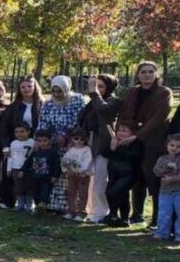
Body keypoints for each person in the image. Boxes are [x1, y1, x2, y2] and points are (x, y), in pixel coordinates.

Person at [118, 61, 173, 227]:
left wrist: (138, 135)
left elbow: (159, 117)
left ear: (156, 74)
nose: (147, 75)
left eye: (150, 72)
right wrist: (120, 133)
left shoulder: (164, 93)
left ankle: (156, 218)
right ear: (138, 74)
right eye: (143, 72)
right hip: (132, 139)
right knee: (137, 178)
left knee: (153, 178)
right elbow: (123, 114)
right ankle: (137, 214)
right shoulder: (132, 92)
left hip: (154, 140)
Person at [77, 74, 121, 224]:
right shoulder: (91, 103)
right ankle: (88, 208)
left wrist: (94, 93)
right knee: (88, 178)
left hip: (103, 144)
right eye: (95, 86)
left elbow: (103, 111)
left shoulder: (114, 101)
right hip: (88, 141)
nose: (96, 89)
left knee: (100, 180)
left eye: (100, 86)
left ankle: (101, 211)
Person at [38, 75, 85, 213]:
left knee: (68, 173)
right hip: (52, 142)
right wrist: (42, 139)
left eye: (60, 91)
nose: (57, 94)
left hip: (71, 142)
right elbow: (43, 122)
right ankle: (52, 205)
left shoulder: (76, 100)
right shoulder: (48, 104)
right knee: (53, 172)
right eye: (54, 91)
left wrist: (67, 136)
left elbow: (79, 120)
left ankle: (69, 206)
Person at [0, 77, 42, 203]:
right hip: (16, 145)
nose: (26, 89)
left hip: (35, 144)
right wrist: (6, 146)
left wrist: (39, 141)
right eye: (23, 87)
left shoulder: (42, 105)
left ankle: (33, 202)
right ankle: (8, 201)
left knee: (32, 173)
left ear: (35, 87)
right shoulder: (13, 107)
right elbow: (4, 127)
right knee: (12, 172)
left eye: (29, 86)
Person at [152, 133, 180, 241]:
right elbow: (156, 171)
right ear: (167, 145)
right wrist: (166, 166)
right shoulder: (162, 158)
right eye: (172, 145)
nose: (174, 148)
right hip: (165, 191)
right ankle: (162, 233)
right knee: (164, 212)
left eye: (178, 146)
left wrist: (174, 178)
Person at [25, 129, 61, 215]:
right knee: (35, 194)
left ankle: (41, 206)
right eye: (39, 141)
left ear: (50, 140)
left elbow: (57, 165)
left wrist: (55, 176)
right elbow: (28, 162)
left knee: (44, 193)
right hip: (35, 177)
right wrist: (23, 170)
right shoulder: (36, 152)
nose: (42, 143)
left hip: (47, 178)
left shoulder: (53, 153)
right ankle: (39, 208)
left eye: (45, 140)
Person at [61, 128, 93, 221]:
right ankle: (71, 211)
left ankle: (82, 212)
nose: (79, 141)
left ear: (86, 139)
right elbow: (64, 160)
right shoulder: (71, 150)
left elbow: (87, 163)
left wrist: (78, 170)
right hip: (71, 175)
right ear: (72, 139)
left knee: (83, 194)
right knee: (71, 193)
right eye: (76, 138)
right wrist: (66, 169)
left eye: (82, 139)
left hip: (82, 176)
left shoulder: (87, 150)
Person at [6, 124, 35, 213]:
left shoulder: (32, 142)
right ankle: (20, 204)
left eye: (22, 131)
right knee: (19, 187)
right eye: (16, 132)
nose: (19, 134)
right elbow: (10, 156)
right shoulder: (13, 143)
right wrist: (9, 168)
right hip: (16, 168)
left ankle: (29, 206)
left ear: (28, 132)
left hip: (28, 169)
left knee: (29, 186)